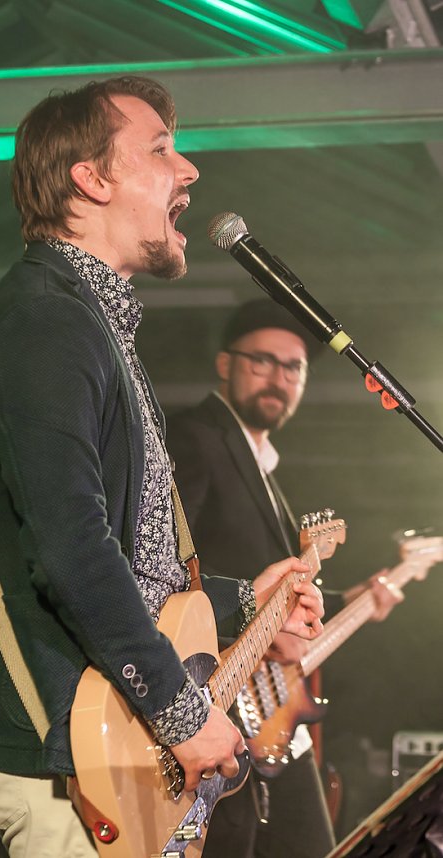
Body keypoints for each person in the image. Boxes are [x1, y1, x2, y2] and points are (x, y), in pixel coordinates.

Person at [0, 77, 325, 858]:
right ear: (91, 178)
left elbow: (139, 568)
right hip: (65, 748)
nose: (190, 170)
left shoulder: (91, 323)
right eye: (161, 148)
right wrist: (182, 714)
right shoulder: (46, 321)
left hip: (103, 748)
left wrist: (249, 600)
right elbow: (71, 554)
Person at [166, 297, 402, 858]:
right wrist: (242, 624)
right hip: (215, 703)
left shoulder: (265, 467)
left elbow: (279, 596)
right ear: (225, 365)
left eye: (293, 367)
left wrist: (352, 599)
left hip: (271, 714)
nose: (279, 378)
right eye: (262, 361)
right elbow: (164, 567)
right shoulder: (197, 439)